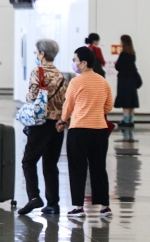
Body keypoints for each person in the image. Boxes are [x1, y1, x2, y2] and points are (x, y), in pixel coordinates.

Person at [58, 45, 113, 218]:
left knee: (77, 168)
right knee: (99, 167)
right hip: (100, 131)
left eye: (75, 60)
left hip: (79, 130)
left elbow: (68, 105)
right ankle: (105, 206)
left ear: (83, 63)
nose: (73, 63)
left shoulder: (76, 82)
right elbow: (109, 106)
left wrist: (62, 120)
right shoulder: (103, 81)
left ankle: (78, 207)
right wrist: (96, 111)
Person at [18, 39, 67, 216]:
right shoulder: (61, 75)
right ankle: (53, 204)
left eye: (36, 52)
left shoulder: (38, 71)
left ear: (42, 54)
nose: (36, 55)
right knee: (50, 164)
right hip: (57, 125)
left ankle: (34, 197)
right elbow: (65, 100)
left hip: (40, 123)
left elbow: (32, 96)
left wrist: (27, 96)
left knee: (28, 161)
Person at [113, 35, 141, 126]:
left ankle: (125, 121)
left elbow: (118, 66)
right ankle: (130, 120)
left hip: (124, 81)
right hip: (132, 80)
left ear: (124, 43)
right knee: (131, 101)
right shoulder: (132, 54)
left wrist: (116, 64)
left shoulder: (123, 54)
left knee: (125, 101)